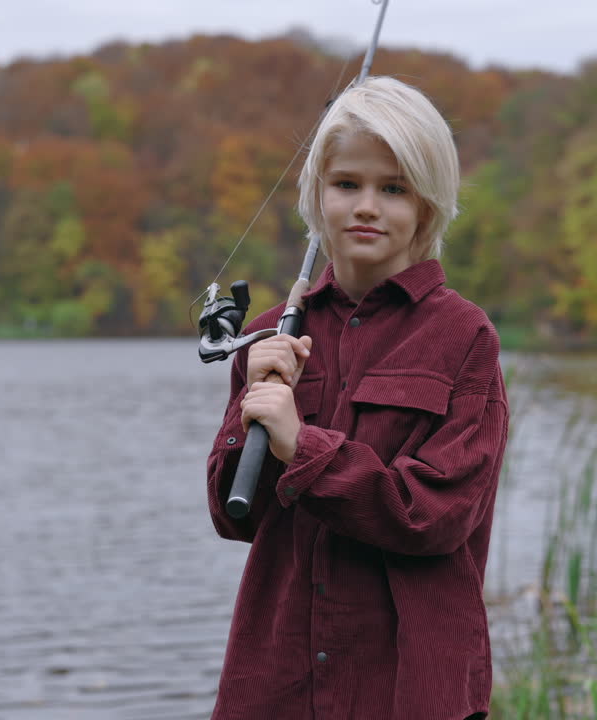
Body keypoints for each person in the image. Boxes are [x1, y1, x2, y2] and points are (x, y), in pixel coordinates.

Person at [205, 75, 509, 720]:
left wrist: (303, 446)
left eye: (393, 188)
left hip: (408, 686)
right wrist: (251, 406)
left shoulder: (465, 337)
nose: (367, 205)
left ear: (428, 205)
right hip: (276, 681)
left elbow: (435, 517)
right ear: (317, 196)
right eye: (347, 184)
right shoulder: (269, 337)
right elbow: (237, 516)